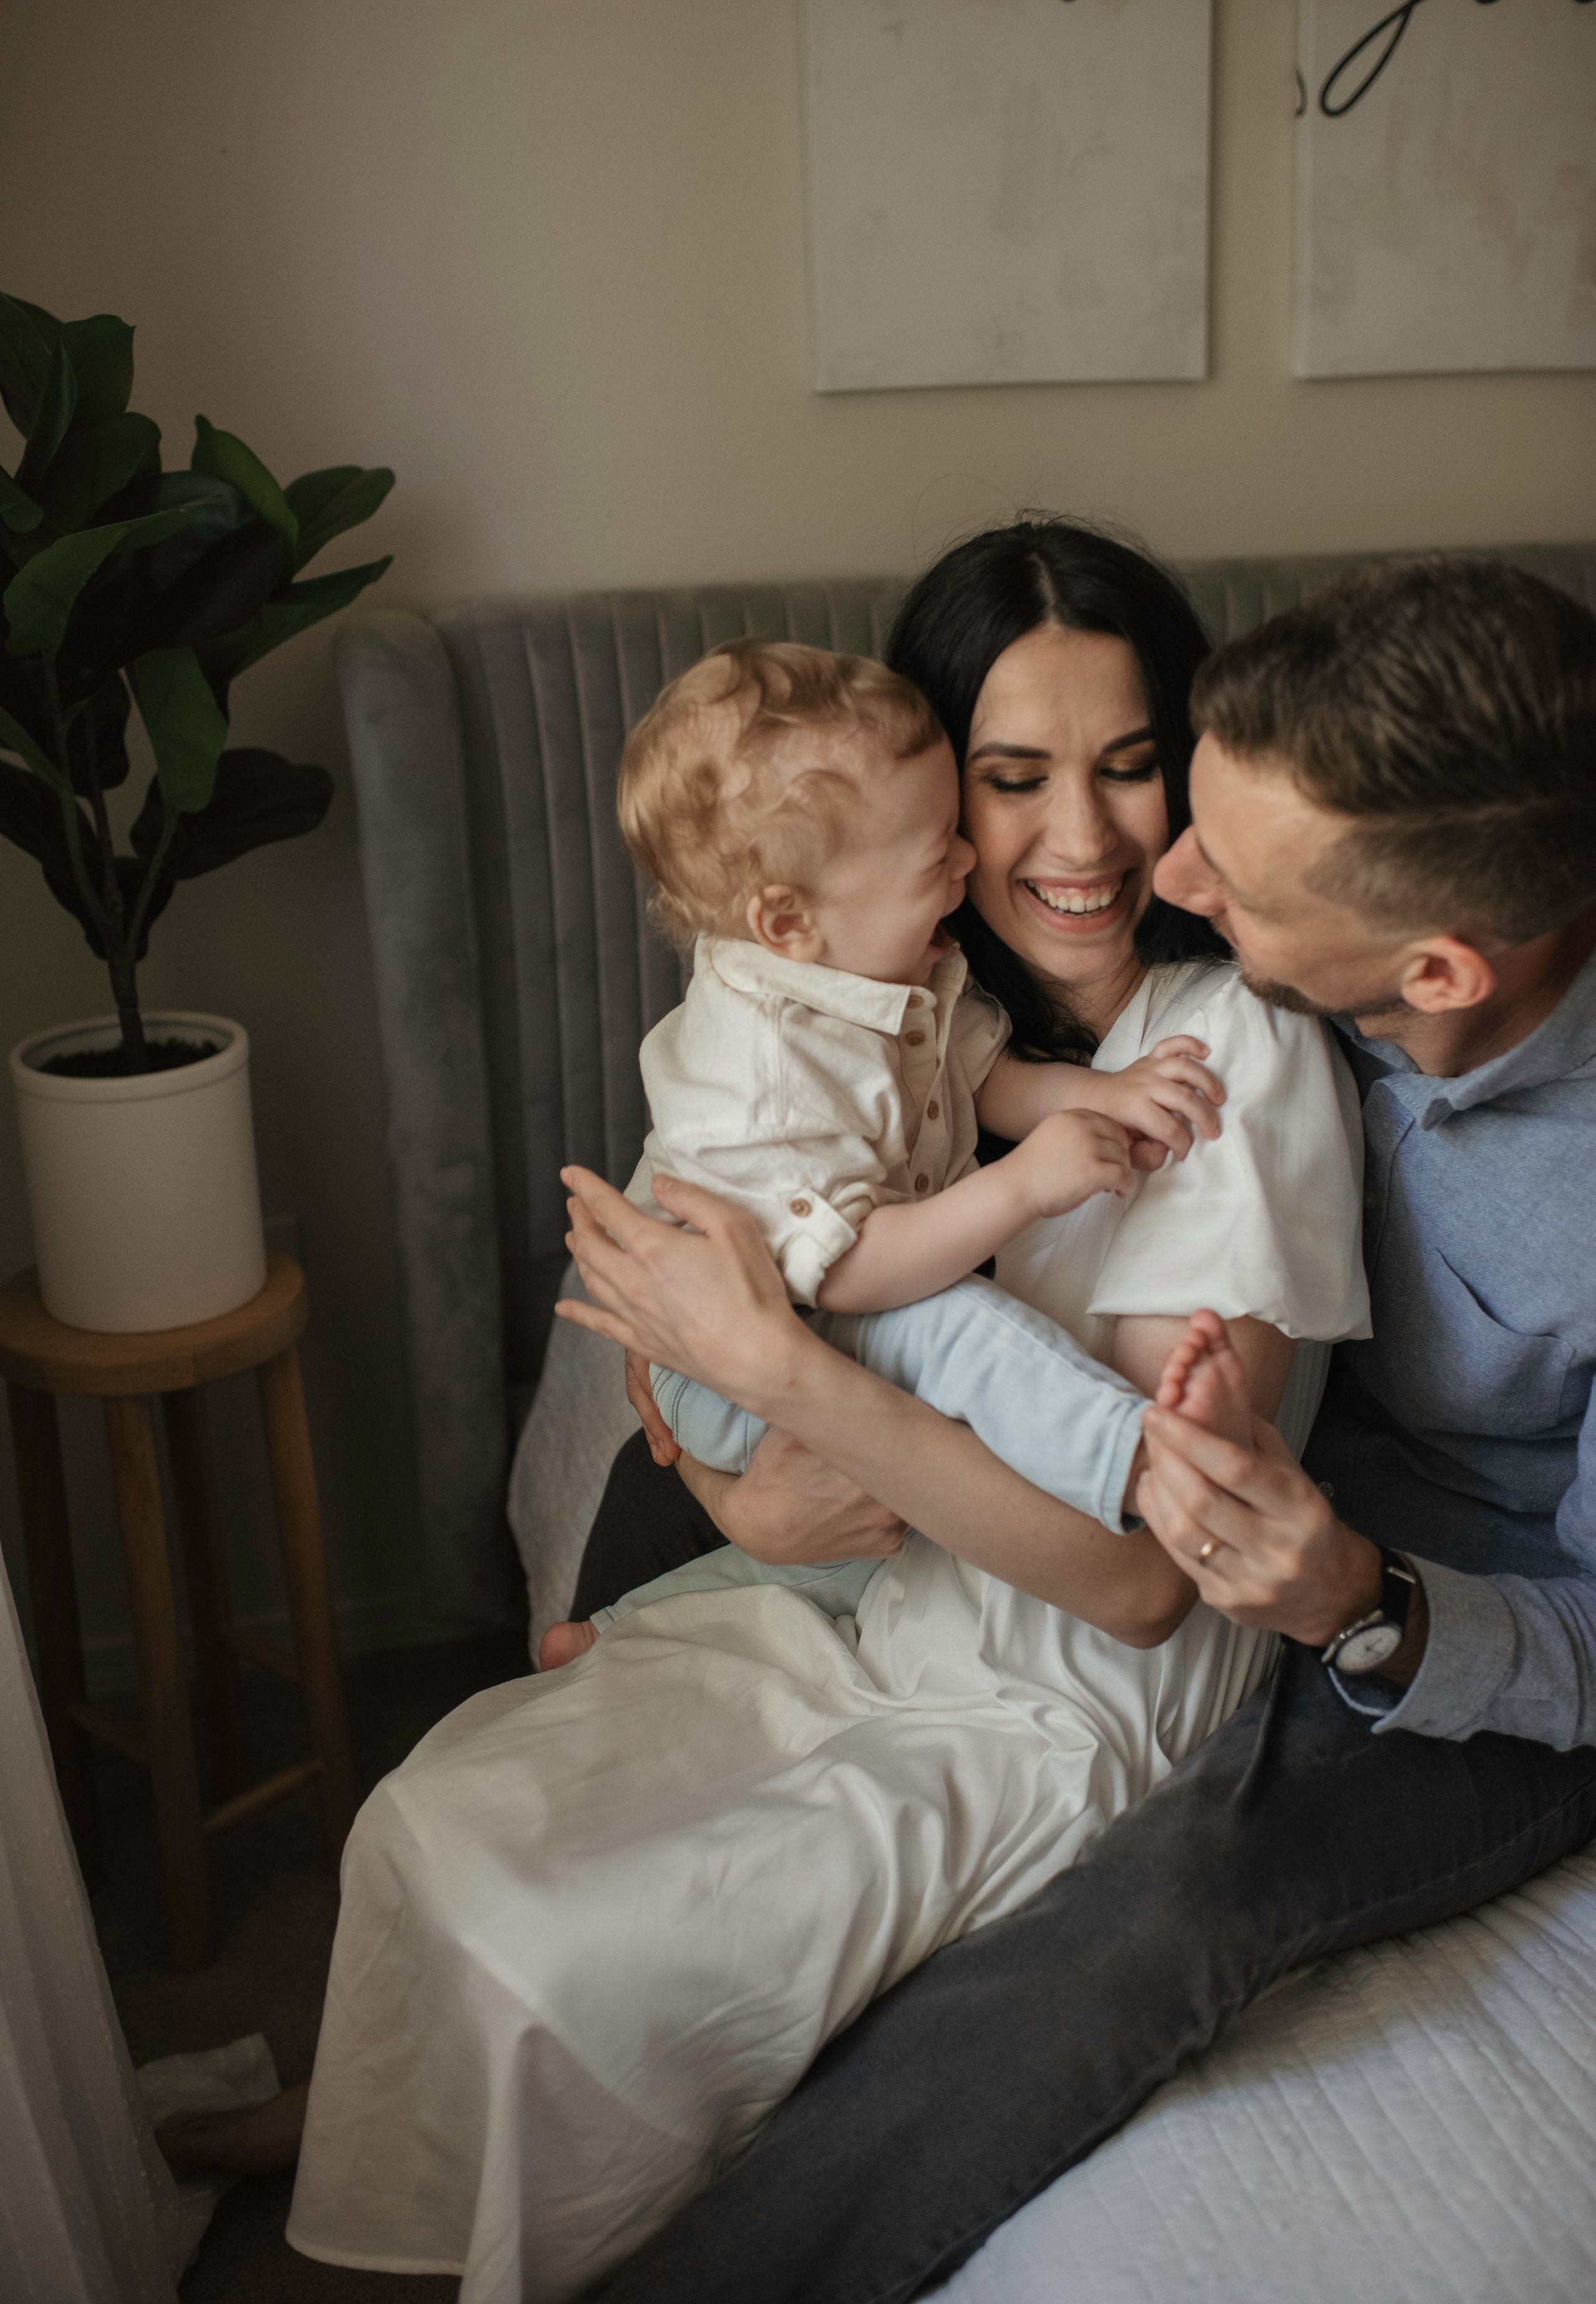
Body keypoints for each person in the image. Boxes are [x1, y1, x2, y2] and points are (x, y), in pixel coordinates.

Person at [281, 521, 1369, 2298]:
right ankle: (362, 2141)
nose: (1075, 839)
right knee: (440, 1811)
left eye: (1125, 767)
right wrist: (739, 1504)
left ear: (1193, 772)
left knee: (581, 1950)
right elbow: (676, 1299)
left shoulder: (1230, 1057)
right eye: (1009, 781)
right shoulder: (869, 1014)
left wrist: (790, 1383)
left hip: (1064, 1692)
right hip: (877, 1604)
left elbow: (1146, 1579)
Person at [544, 552, 1596, 2303]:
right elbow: (723, 1272)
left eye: (1224, 873)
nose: (1146, 866)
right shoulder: (955, 1007)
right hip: (1125, 1529)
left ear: (1431, 969)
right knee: (602, 1690)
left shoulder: (1267, 1056)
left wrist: (1367, 1600)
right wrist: (726, 1481)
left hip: (1435, 1615)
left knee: (1159, 1912)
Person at [542, 631, 1229, 1666]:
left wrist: (1107, 1094)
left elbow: (979, 1075)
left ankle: (628, 1638)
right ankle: (1133, 1461)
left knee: (866, 1551)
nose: (965, 861)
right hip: (748, 1343)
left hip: (789, 1322)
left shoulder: (871, 966)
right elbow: (856, 1269)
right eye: (940, 849)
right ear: (787, 920)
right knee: (949, 1330)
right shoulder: (766, 1068)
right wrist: (1027, 1188)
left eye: (1127, 766)